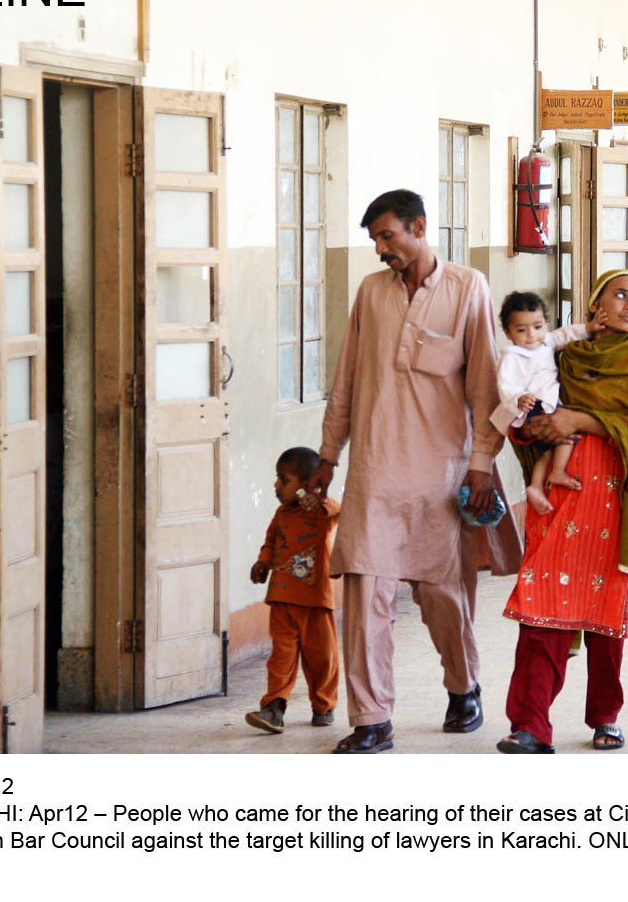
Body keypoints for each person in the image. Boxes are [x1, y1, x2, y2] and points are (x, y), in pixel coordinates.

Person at [309, 188, 519, 754]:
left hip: (441, 473)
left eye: (388, 236)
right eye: (375, 239)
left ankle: (463, 685)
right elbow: (347, 378)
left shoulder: (466, 287)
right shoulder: (371, 294)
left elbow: (484, 385)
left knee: (442, 595)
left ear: (419, 227)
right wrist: (330, 454)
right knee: (364, 591)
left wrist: (480, 464)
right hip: (374, 470)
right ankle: (372, 717)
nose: (381, 249)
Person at [496, 270, 628, 754]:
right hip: (557, 500)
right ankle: (529, 724)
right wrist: (534, 426)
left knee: (603, 612)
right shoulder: (562, 353)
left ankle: (605, 715)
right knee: (542, 607)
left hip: (611, 503)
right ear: (595, 306)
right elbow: (519, 418)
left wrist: (579, 419)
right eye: (619, 294)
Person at [245, 447, 340, 734]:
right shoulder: (281, 513)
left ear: (306, 484)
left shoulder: (322, 512)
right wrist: (263, 563)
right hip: (282, 598)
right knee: (281, 657)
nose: (276, 485)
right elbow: (271, 541)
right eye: (277, 478)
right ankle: (274, 707)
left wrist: (318, 500)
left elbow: (337, 513)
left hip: (315, 600)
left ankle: (323, 705)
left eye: (283, 480)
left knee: (322, 657)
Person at [490, 291, 608, 515]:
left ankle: (536, 485)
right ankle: (559, 472)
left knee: (546, 451)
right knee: (565, 437)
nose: (531, 335)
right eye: (521, 330)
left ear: (545, 323)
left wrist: (590, 328)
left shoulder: (545, 342)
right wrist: (519, 398)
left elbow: (565, 335)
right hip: (534, 405)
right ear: (507, 332)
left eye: (537, 326)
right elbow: (505, 386)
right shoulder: (511, 357)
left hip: (548, 402)